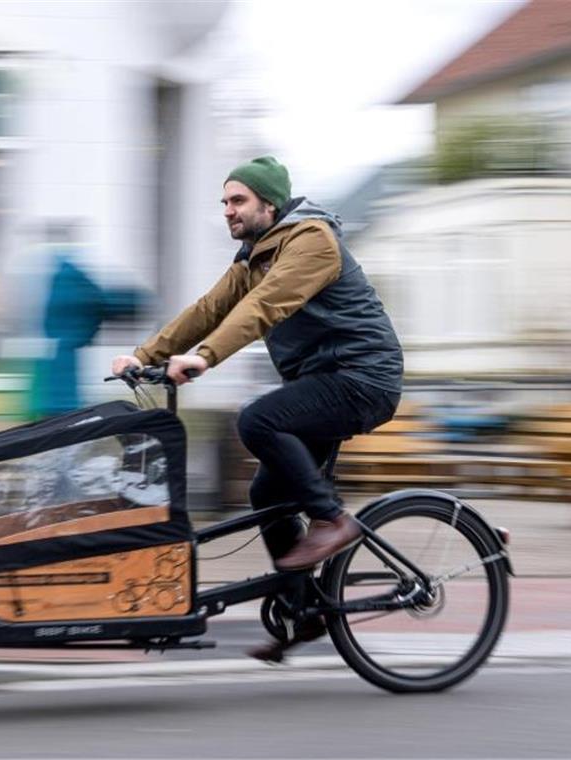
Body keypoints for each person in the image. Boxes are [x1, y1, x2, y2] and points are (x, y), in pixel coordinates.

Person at [111, 156, 403, 661]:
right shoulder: (253, 256)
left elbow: (263, 306)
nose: (228, 210)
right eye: (224, 202)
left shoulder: (312, 241)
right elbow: (209, 308)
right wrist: (144, 356)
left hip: (362, 378)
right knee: (267, 489)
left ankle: (333, 521)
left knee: (258, 418)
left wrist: (204, 357)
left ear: (270, 203)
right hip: (323, 380)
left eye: (238, 200)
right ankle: (303, 608)